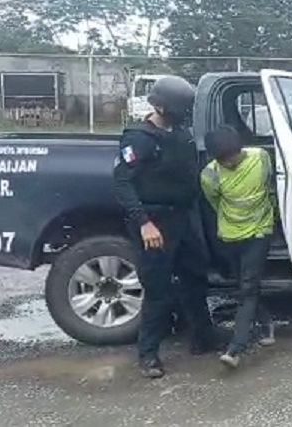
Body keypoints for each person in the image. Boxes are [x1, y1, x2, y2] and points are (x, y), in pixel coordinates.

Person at [113, 76, 229, 379]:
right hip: (156, 222)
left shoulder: (180, 132)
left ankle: (203, 337)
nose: (184, 114)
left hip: (183, 218)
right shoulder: (140, 138)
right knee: (159, 290)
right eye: (179, 108)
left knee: (195, 278)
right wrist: (144, 224)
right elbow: (123, 182)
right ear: (161, 106)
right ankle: (148, 354)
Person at [200, 125, 276, 369]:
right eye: (223, 159)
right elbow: (214, 202)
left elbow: (271, 185)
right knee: (245, 285)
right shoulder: (209, 175)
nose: (230, 162)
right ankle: (267, 323)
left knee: (247, 288)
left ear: (240, 149)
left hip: (259, 233)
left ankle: (236, 348)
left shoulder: (261, 158)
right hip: (230, 237)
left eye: (233, 156)